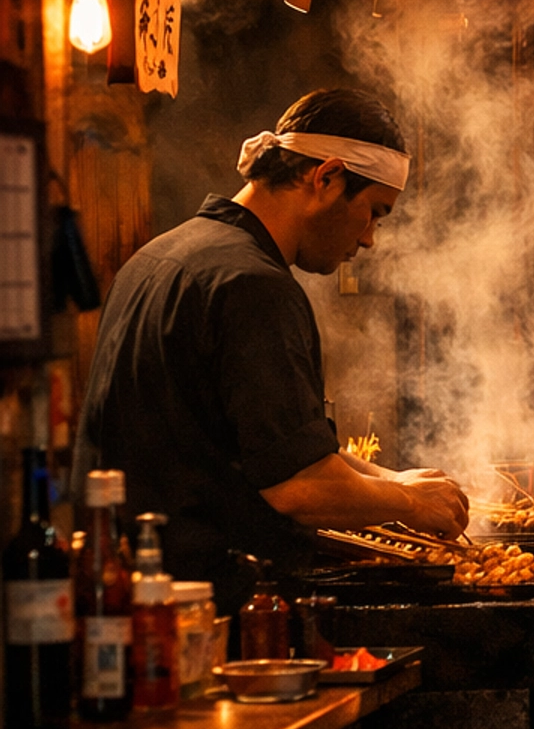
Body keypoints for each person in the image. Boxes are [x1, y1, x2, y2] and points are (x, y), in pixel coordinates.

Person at [73, 88, 468, 609]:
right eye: (374, 212)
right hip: (210, 607)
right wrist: (407, 502)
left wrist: (389, 479)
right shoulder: (253, 285)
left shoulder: (162, 255)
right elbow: (299, 486)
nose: (370, 238)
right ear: (326, 178)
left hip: (127, 589)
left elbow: (274, 447)